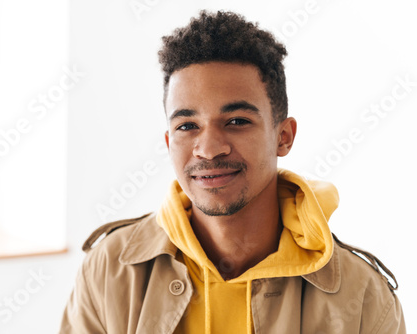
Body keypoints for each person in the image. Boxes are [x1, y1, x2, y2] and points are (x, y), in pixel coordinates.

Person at [59, 10, 405, 334]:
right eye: (187, 125)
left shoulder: (362, 294)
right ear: (168, 142)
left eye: (237, 121)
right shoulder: (110, 268)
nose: (209, 149)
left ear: (283, 137)